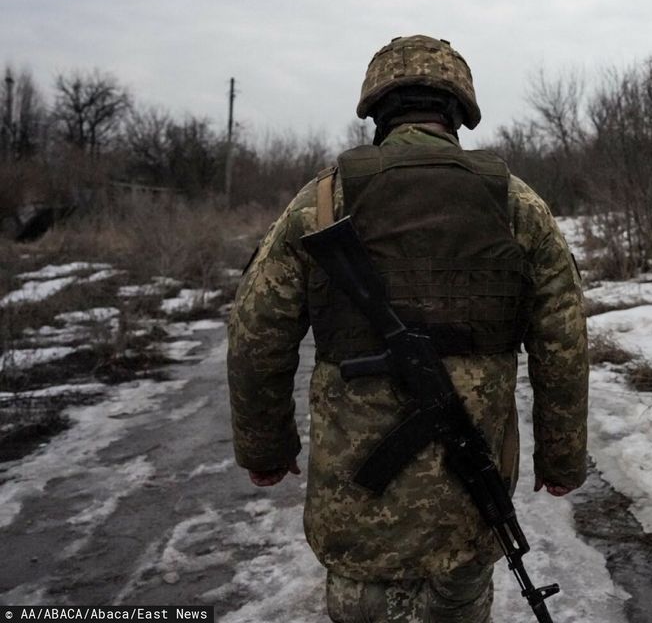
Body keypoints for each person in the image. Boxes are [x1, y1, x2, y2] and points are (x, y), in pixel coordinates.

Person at [226, 35, 589, 623]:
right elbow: (564, 345)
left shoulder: (320, 203)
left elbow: (255, 337)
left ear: (377, 110)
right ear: (457, 113)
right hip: (467, 514)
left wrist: (266, 449)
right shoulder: (516, 204)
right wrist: (563, 459)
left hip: (356, 514)